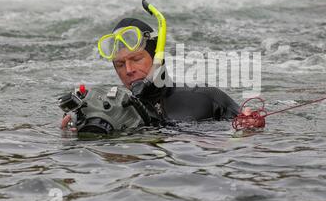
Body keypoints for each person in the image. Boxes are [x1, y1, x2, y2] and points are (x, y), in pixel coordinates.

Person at [61, 18, 239, 130]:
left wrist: (249, 126)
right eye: (120, 64)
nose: (129, 70)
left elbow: (248, 137)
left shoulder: (206, 98)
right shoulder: (110, 109)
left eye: (137, 59)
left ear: (158, 58)